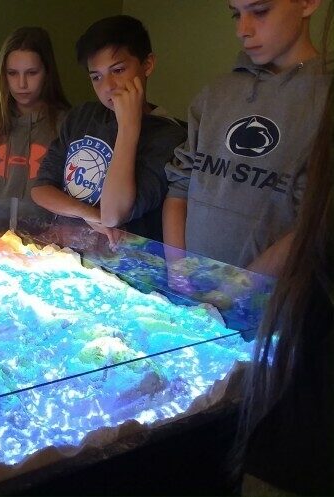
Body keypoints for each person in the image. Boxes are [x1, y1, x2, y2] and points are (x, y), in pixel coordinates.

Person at [163, 0, 331, 275]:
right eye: (236, 14)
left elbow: (316, 225)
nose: (242, 29)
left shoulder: (324, 103)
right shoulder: (215, 93)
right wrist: (178, 271)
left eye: (260, 11)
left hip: (271, 305)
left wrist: (236, 290)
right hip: (194, 293)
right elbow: (179, 188)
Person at [233, 76, 334, 496]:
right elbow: (312, 231)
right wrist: (235, 284)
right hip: (290, 436)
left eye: (261, 9)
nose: (245, 29)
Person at [31, 15, 186, 242]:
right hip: (68, 255)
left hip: (125, 266)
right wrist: (88, 214)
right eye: (96, 77)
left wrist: (128, 127)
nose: (108, 87)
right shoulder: (82, 116)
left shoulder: (171, 137)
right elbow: (41, 189)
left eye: (119, 70)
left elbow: (113, 215)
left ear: (148, 64)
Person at [0, 27, 70, 233]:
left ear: (47, 72)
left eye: (31, 73)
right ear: (3, 75)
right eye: (12, 73)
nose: (21, 84)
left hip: (49, 246)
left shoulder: (66, 124)